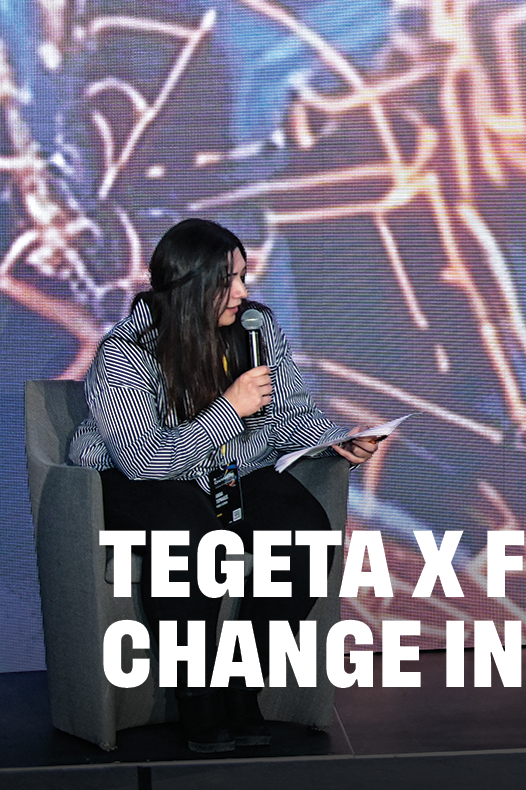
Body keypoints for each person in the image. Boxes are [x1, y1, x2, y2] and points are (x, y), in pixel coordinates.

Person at [70, 218, 382, 753]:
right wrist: (230, 408)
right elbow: (144, 459)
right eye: (227, 281)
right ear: (188, 286)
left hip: (228, 471)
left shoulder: (256, 329)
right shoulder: (126, 350)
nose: (241, 292)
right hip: (140, 478)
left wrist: (334, 441)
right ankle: (198, 698)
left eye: (242, 276)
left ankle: (241, 684)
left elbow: (287, 415)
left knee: (305, 530)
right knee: (188, 535)